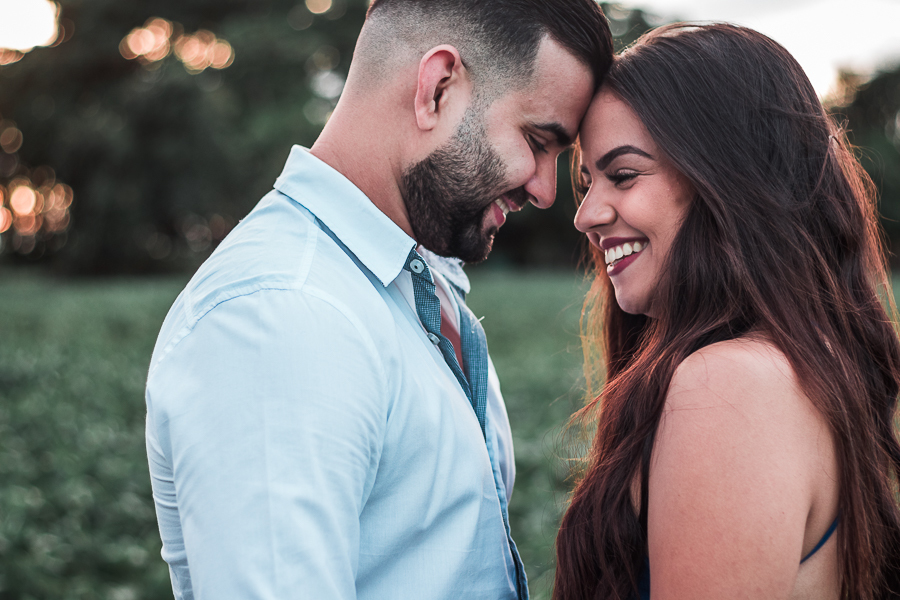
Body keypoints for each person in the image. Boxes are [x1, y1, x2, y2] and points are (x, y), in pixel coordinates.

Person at [145, 1, 612, 598]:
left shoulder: (413, 284)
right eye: (537, 140)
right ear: (437, 88)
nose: (546, 190)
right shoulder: (284, 312)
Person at [554, 23, 900, 600]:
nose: (585, 215)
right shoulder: (794, 364)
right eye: (589, 182)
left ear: (726, 177)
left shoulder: (731, 383)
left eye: (624, 175)